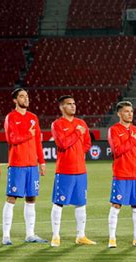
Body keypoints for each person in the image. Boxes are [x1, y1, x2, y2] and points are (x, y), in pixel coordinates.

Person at [2, 88, 47, 245]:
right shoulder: (11, 117)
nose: (26, 98)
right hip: (17, 164)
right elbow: (12, 139)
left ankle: (30, 234)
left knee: (31, 198)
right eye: (22, 96)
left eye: (27, 96)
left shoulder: (33, 117)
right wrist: (29, 133)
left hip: (31, 166)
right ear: (15, 100)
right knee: (12, 198)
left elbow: (37, 142)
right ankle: (6, 235)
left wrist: (41, 162)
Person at [50, 95, 96, 247]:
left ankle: (81, 235)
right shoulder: (57, 124)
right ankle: (55, 235)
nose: (73, 106)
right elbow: (63, 143)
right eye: (69, 104)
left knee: (81, 203)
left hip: (81, 171)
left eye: (74, 103)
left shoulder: (81, 123)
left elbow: (88, 142)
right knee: (59, 203)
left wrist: (78, 152)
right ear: (62, 107)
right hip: (64, 170)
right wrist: (77, 132)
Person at [107, 101, 136, 248]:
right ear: (119, 113)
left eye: (131, 111)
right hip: (121, 174)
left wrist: (133, 158)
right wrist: (131, 141)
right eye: (126, 111)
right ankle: (112, 238)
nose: (130, 114)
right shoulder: (114, 130)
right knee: (116, 205)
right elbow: (117, 150)